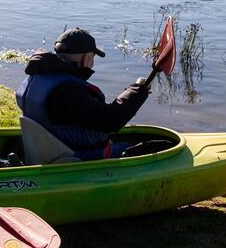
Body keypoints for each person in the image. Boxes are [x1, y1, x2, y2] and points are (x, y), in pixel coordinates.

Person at [16, 28, 151, 161]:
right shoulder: (68, 93)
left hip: (45, 150)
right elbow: (111, 120)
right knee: (134, 147)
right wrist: (138, 90)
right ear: (86, 58)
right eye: (92, 58)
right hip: (75, 157)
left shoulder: (37, 77)